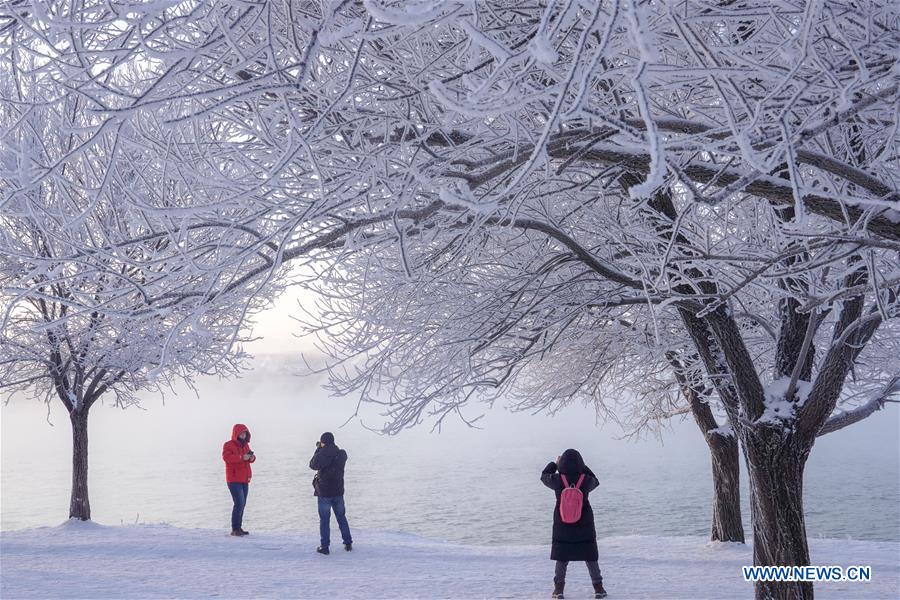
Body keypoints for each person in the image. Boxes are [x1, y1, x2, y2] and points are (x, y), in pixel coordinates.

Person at [541, 449, 606, 599]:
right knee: (590, 556)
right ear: (580, 463)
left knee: (562, 557)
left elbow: (543, 477)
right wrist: (583, 468)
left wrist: (554, 465)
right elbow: (596, 480)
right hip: (585, 524)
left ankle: (558, 590)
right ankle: (599, 588)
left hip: (562, 524)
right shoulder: (586, 480)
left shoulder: (557, 480)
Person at [309, 432, 352, 555]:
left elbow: (312, 465)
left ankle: (325, 546)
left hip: (324, 493)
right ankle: (348, 543)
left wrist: (318, 450)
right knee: (341, 517)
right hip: (338, 491)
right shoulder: (340, 454)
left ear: (323, 442)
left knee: (324, 520)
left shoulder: (322, 454)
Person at [222, 424, 256, 536]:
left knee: (243, 503)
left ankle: (239, 528)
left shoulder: (245, 445)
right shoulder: (228, 445)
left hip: (245, 479)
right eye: (241, 433)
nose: (243, 435)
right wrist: (242, 457)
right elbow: (226, 458)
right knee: (239, 503)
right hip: (233, 479)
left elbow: (251, 459)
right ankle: (235, 529)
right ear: (236, 434)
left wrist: (251, 457)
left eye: (245, 433)